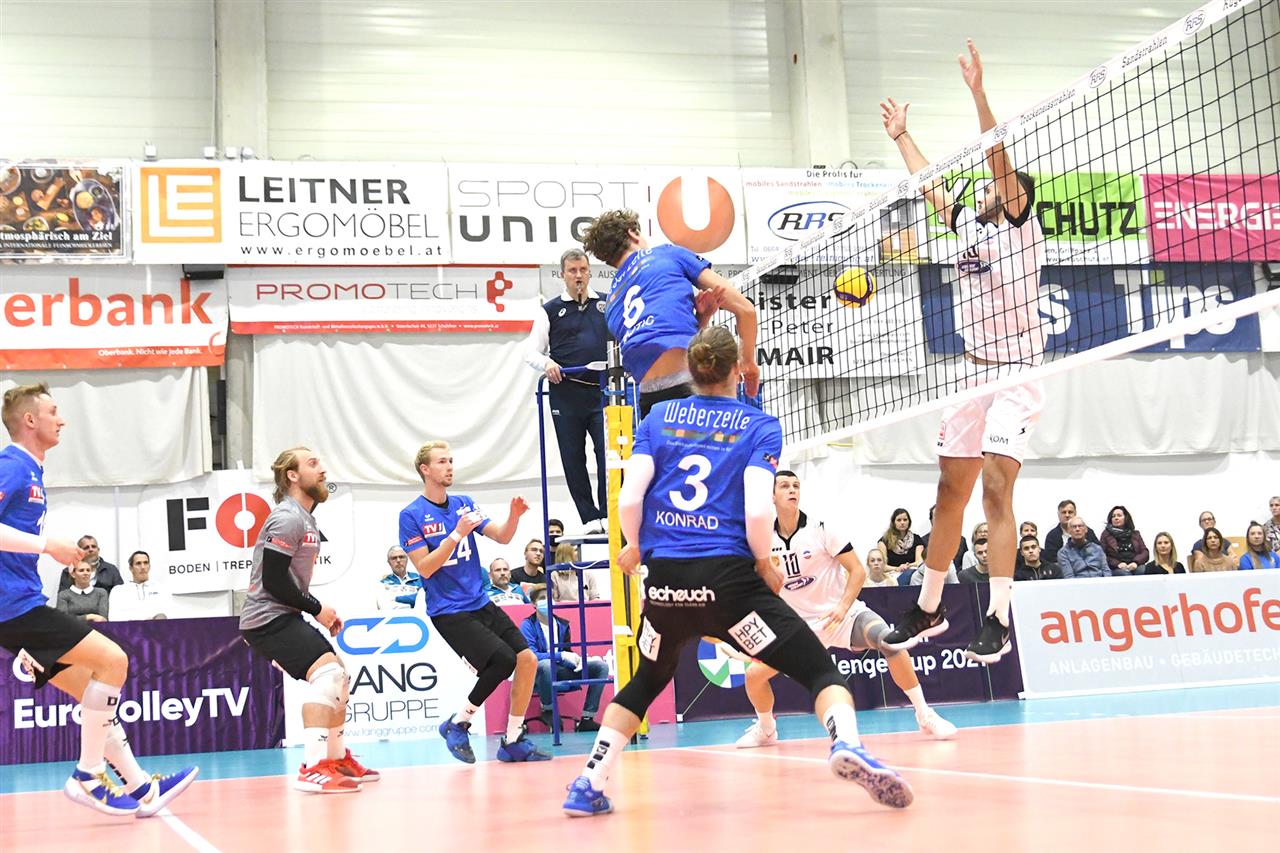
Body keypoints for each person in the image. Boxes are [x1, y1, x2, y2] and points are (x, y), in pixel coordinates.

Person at [562, 327, 912, 818]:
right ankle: (846, 744)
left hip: (666, 585)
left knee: (646, 679)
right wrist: (764, 563)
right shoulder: (759, 425)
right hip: (729, 584)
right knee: (819, 670)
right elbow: (755, 510)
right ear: (737, 370)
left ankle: (588, 782)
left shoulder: (657, 417)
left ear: (692, 369)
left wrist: (635, 546)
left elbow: (630, 496)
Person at [879, 42, 1047, 664]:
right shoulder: (969, 228)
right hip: (972, 374)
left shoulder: (1021, 229)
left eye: (995, 188)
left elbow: (998, 160)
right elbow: (929, 186)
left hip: (1018, 376)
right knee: (949, 494)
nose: (983, 192)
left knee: (996, 489)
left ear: (1012, 197)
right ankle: (929, 606)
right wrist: (902, 136)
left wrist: (978, 95)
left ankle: (999, 617)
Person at [0, 383, 197, 816]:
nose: (62, 420)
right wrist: (48, 546)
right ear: (30, 420)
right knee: (113, 662)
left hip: (18, 603)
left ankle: (142, 790)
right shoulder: (12, 466)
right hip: (13, 606)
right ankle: (88, 775)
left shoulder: (31, 470)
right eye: (53, 412)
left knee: (95, 696)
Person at [735, 470, 954, 749]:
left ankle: (925, 714)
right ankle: (766, 729)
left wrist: (842, 607)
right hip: (797, 629)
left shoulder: (821, 529)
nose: (792, 490)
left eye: (796, 486)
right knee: (753, 676)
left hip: (841, 617)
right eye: (785, 486)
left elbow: (857, 571)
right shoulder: (762, 539)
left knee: (890, 642)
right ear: (772, 496)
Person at [399, 441, 550, 764]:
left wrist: (513, 516)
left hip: (480, 602)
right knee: (503, 661)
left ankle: (512, 739)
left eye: (451, 460)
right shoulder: (411, 515)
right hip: (449, 611)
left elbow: (502, 536)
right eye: (442, 461)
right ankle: (458, 723)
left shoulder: (464, 503)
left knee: (527, 660)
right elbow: (424, 568)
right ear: (425, 469)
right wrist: (455, 534)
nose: (449, 467)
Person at [240, 447, 377, 793]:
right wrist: (316, 608)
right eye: (313, 464)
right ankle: (313, 768)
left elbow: (286, 581)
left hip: (281, 614)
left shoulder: (305, 517)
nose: (323, 470)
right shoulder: (288, 518)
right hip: (266, 618)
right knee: (328, 675)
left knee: (339, 677)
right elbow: (273, 579)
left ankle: (336, 759)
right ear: (292, 475)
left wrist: (314, 609)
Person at [580, 208, 761, 417]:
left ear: (608, 260)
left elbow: (656, 341)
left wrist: (701, 318)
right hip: (692, 386)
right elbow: (746, 310)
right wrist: (748, 363)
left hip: (650, 402)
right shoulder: (666, 254)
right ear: (633, 233)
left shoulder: (611, 303)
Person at [524, 248, 608, 533]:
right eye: (572, 271)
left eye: (583, 270)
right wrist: (547, 364)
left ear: (590, 272)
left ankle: (608, 513)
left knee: (606, 453)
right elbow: (530, 352)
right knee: (572, 456)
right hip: (566, 393)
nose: (578, 276)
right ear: (562, 275)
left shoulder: (606, 305)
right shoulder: (549, 310)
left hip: (602, 393)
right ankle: (589, 517)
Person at [520, 586, 609, 732]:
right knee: (546, 665)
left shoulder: (562, 624)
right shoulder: (527, 625)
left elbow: (567, 652)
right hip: (537, 673)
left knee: (601, 667)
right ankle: (548, 710)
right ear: (534, 603)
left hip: (561, 669)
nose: (547, 601)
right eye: (542, 598)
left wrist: (577, 660)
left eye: (550, 597)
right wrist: (560, 655)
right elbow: (532, 655)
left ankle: (587, 719)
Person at [108, 551, 174, 621]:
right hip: (129, 628)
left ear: (149, 566)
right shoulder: (118, 591)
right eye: (138, 563)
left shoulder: (161, 589)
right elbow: (114, 618)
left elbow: (169, 615)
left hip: (157, 627)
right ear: (131, 568)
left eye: (146, 563)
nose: (143, 567)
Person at [57, 533, 124, 593]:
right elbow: (62, 597)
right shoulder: (69, 572)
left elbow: (120, 594)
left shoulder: (111, 570)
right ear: (79, 552)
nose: (91, 549)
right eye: (86, 547)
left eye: (93, 546)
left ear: (98, 550)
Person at [1100, 505, 1148, 577]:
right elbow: (1102, 555)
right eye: (1113, 516)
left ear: (1126, 518)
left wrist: (1136, 562)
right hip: (1116, 568)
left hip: (1134, 565)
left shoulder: (1135, 534)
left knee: (1143, 570)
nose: (1116, 518)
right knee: (1125, 574)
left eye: (1119, 515)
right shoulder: (1106, 535)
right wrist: (1117, 564)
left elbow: (1145, 552)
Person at [919, 504, 967, 571]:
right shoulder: (922, 541)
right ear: (931, 519)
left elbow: (965, 565)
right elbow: (920, 564)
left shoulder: (961, 540)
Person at [877, 508, 924, 573]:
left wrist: (908, 566)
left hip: (911, 574)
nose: (902, 522)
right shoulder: (884, 541)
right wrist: (897, 568)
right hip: (891, 575)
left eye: (905, 520)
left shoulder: (917, 539)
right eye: (899, 520)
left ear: (909, 522)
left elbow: (919, 562)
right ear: (893, 522)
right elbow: (882, 566)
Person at [379, 545, 422, 610]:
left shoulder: (419, 580)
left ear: (407, 560)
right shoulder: (383, 583)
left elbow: (424, 601)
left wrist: (395, 599)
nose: (398, 560)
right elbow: (386, 607)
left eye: (401, 557)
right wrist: (412, 602)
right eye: (394, 558)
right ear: (389, 562)